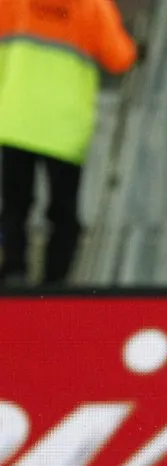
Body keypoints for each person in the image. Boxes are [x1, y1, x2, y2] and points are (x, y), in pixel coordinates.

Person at [0, 0, 136, 285]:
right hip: (64, 127)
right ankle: (55, 284)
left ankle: (14, 273)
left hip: (15, 119)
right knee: (63, 212)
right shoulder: (92, 6)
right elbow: (120, 58)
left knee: (15, 205)